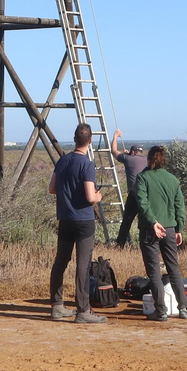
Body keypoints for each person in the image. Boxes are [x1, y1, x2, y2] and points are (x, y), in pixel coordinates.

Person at [48, 122, 105, 324]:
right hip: (84, 220)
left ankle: (57, 305)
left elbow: (52, 188)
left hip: (65, 218)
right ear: (90, 141)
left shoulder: (62, 161)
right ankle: (83, 310)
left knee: (60, 261)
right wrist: (98, 197)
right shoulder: (87, 165)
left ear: (74, 139)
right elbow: (90, 197)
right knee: (83, 264)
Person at [133, 145, 187, 321]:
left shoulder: (142, 178)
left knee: (154, 271)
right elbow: (180, 205)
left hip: (150, 229)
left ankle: (161, 310)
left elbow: (143, 203)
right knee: (174, 268)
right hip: (171, 228)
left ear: (149, 159)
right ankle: (184, 308)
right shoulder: (172, 179)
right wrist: (179, 228)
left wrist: (153, 222)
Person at [110, 130, 147, 248]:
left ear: (132, 152)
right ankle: (145, 244)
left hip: (134, 194)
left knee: (127, 221)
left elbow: (114, 151)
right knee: (146, 220)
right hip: (146, 195)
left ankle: (120, 244)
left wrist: (115, 136)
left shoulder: (128, 159)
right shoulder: (147, 159)